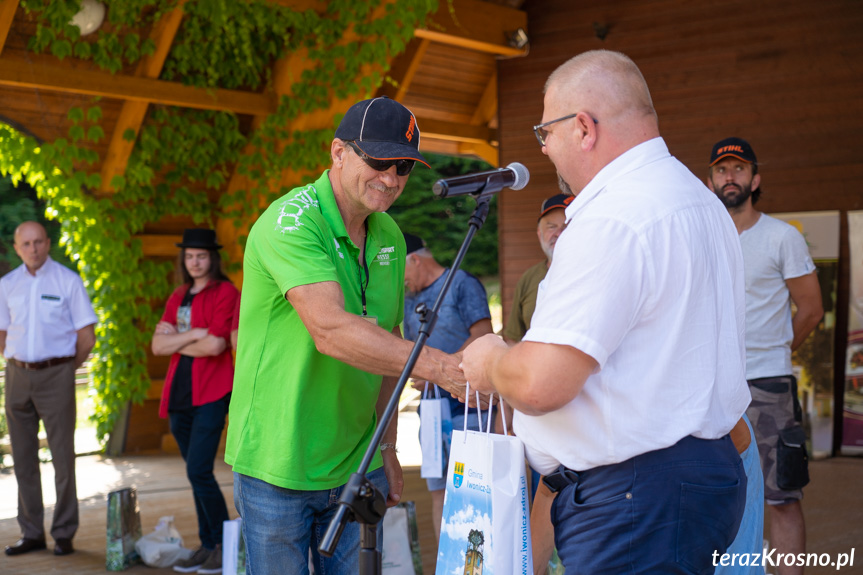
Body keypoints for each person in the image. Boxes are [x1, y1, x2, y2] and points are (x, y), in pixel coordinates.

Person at [460, 50, 751, 574]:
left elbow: (542, 384)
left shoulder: (615, 216)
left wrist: (491, 360)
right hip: (676, 486)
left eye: (544, 132)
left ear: (584, 128)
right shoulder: (697, 200)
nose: (544, 148)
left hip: (635, 501)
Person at [225, 96, 466, 575]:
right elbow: (332, 331)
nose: (392, 178)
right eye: (378, 161)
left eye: (404, 167)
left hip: (360, 465)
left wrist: (389, 448)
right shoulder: (289, 222)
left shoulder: (391, 236)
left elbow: (389, 343)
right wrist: (443, 368)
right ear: (338, 152)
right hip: (279, 463)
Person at [707, 137, 823, 575]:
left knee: (782, 496)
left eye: (738, 169)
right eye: (721, 170)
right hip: (713, 387)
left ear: (755, 179)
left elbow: (811, 309)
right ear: (710, 180)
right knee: (721, 492)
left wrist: (773, 350)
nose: (729, 176)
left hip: (768, 384)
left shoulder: (782, 236)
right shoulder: (705, 238)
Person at [0, 221, 97, 557]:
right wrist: (18, 363)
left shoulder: (67, 281)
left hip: (57, 374)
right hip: (17, 376)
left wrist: (64, 370)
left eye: (38, 242)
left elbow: (87, 336)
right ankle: (31, 533)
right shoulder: (7, 285)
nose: (33, 249)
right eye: (26, 244)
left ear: (48, 243)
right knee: (22, 458)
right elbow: (2, 333)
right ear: (16, 248)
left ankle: (64, 532)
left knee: (62, 457)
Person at [151, 228, 239, 574]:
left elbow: (217, 346)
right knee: (195, 473)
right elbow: (158, 346)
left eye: (201, 256)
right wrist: (195, 335)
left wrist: (179, 339)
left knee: (198, 469)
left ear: (212, 258)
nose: (195, 262)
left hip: (212, 392)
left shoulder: (226, 292)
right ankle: (207, 544)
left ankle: (219, 544)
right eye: (189, 256)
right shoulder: (179, 295)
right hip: (180, 394)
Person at [401, 232, 493, 543]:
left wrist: (436, 370)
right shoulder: (408, 297)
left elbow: (484, 336)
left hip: (467, 408)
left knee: (472, 491)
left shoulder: (461, 283)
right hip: (428, 411)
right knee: (438, 491)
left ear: (414, 259)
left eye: (402, 274)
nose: (401, 283)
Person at [501, 193, 571, 346]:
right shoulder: (529, 278)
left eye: (566, 227)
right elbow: (513, 339)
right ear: (540, 234)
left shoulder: (591, 273)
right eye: (552, 227)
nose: (558, 233)